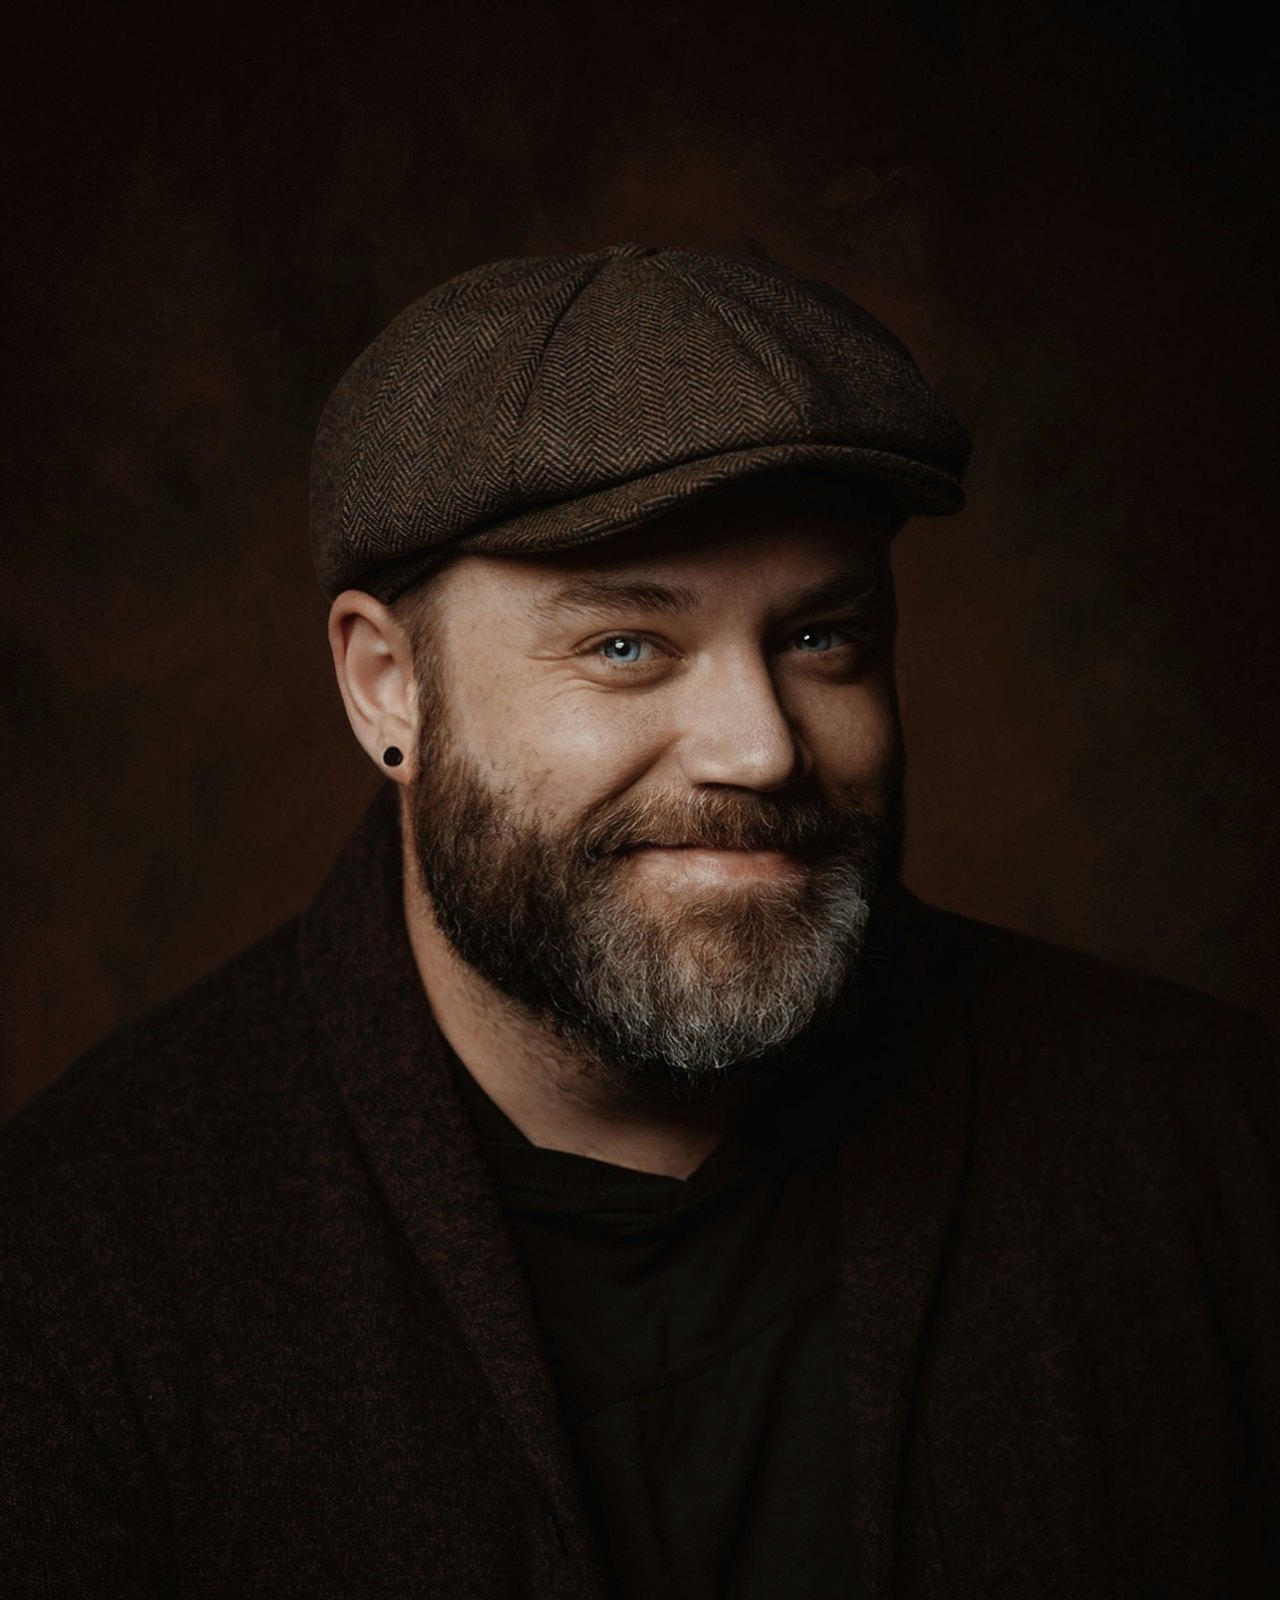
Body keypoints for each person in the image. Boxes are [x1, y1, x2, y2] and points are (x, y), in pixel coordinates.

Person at [1, 243, 1276, 1599]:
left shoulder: (1217, 1151)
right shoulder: (75, 1275)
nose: (761, 750)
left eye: (821, 638)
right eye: (626, 646)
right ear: (387, 687)